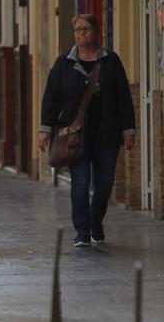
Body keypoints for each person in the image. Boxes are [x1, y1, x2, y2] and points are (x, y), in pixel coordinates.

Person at [39, 14, 136, 247]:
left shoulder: (111, 61)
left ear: (96, 32)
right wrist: (45, 129)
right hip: (76, 135)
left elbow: (123, 96)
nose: (82, 33)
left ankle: (95, 222)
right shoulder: (64, 62)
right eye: (78, 30)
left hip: (107, 134)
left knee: (104, 185)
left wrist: (128, 128)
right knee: (80, 185)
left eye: (86, 29)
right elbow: (51, 97)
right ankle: (82, 232)